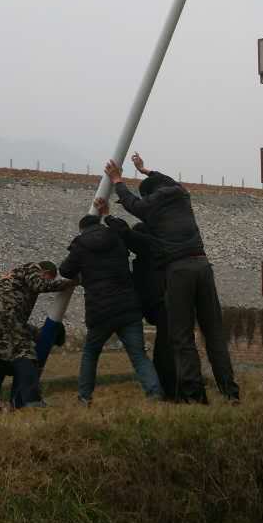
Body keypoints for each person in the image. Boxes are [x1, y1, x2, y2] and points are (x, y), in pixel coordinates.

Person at [104, 152, 239, 405]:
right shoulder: (182, 194)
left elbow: (133, 205)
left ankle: (194, 396)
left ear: (149, 193)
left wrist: (117, 180)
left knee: (181, 337)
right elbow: (165, 181)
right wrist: (145, 170)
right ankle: (230, 392)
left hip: (179, 271)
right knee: (214, 333)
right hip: (203, 265)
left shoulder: (151, 205)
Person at [58, 200, 163, 406]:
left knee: (90, 354)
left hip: (100, 310)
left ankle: (84, 398)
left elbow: (65, 271)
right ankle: (155, 394)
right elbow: (123, 235)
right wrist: (108, 214)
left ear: (82, 229)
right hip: (127, 307)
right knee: (139, 355)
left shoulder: (80, 245)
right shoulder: (115, 237)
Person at [0, 260, 73, 409]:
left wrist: (36, 333)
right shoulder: (32, 267)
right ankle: (31, 400)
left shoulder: (13, 280)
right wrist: (71, 283)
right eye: (49, 278)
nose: (47, 280)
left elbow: (16, 326)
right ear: (46, 273)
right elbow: (41, 285)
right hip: (3, 313)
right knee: (24, 353)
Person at [129, 218, 178, 400]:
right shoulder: (162, 255)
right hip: (167, 304)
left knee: (164, 349)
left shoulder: (144, 261)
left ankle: (167, 389)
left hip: (159, 305)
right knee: (168, 347)